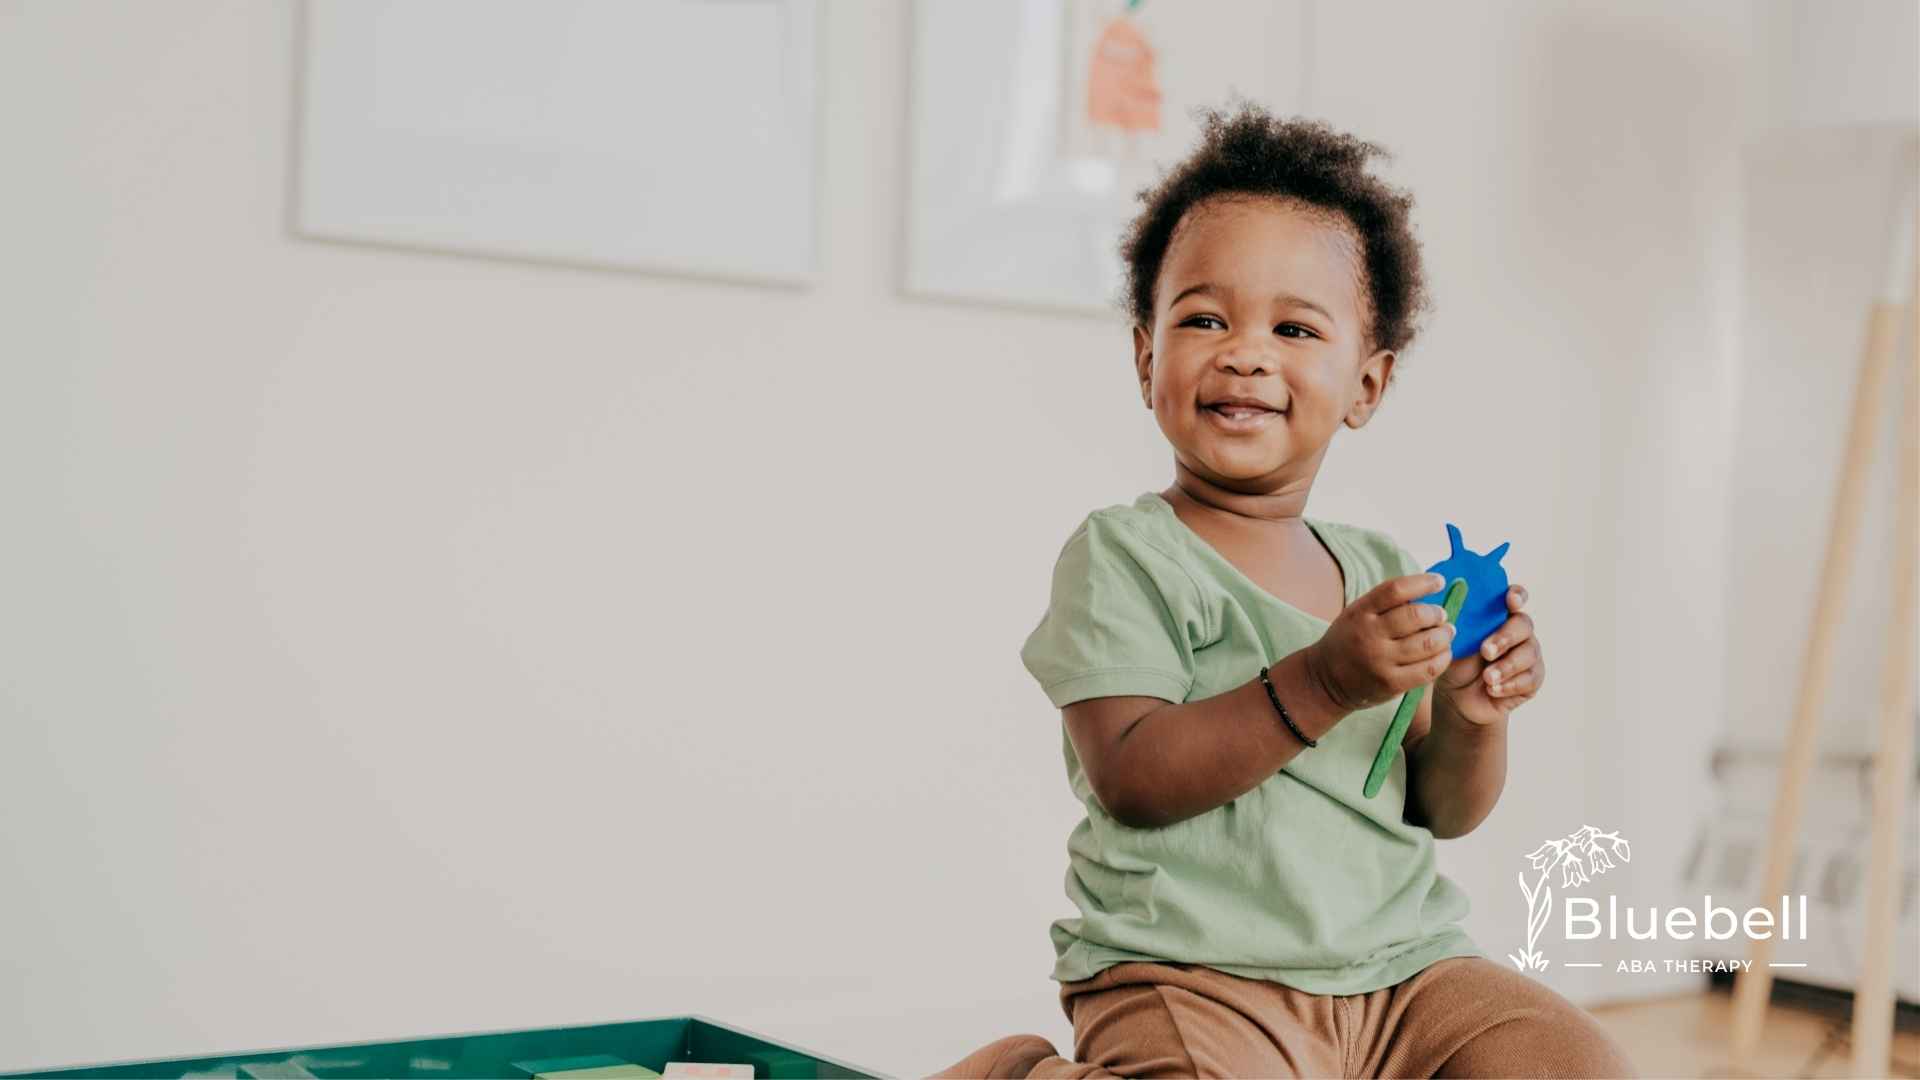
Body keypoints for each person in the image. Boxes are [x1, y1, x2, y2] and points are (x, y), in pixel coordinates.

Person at [931, 102, 1635, 1079]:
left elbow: (1442, 809)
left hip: (1400, 973)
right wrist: (1326, 680)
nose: (1246, 351)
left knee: (1578, 1064)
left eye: (1296, 327)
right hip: (1193, 975)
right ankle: (1021, 1074)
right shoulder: (1126, 557)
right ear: (1147, 357)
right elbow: (1133, 780)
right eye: (1204, 318)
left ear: (1368, 385)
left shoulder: (1378, 574)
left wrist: (1476, 715)